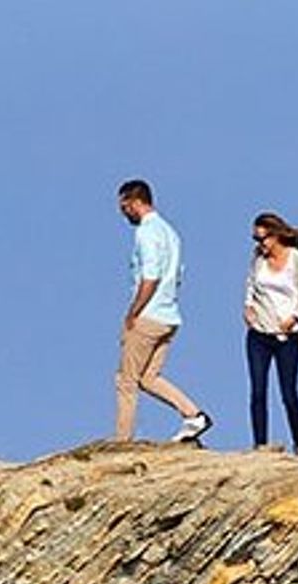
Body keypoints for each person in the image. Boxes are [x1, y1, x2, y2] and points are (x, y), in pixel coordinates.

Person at [115, 179, 213, 444]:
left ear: (136, 202)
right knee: (148, 377)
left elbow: (151, 276)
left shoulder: (146, 232)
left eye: (125, 207)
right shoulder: (170, 233)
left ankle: (122, 442)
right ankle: (194, 415)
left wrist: (133, 312)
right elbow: (178, 275)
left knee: (126, 380)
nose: (124, 214)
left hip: (149, 314)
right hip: (169, 316)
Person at [242, 213, 298, 452]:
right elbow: (251, 285)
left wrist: (297, 317)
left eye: (262, 238)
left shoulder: (297, 260)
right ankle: (260, 444)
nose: (260, 244)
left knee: (288, 393)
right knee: (258, 390)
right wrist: (248, 307)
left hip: (287, 336)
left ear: (275, 236)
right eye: (256, 239)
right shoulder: (258, 260)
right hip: (259, 334)